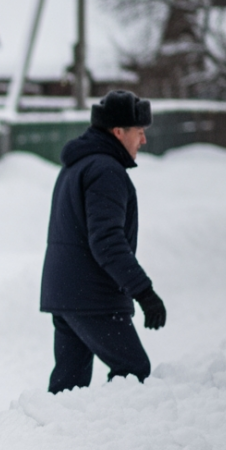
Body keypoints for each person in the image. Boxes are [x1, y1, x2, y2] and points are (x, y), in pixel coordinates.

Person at [41, 89, 167, 394]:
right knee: (133, 371)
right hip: (92, 297)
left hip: (68, 294)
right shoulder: (105, 171)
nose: (144, 140)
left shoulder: (78, 165)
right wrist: (145, 293)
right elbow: (107, 242)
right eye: (139, 132)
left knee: (69, 387)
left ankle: (52, 439)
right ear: (118, 131)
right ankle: (118, 440)